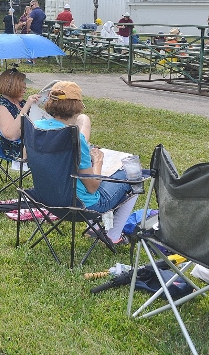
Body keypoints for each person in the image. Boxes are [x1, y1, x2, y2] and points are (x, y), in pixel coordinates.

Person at [35, 81, 136, 244]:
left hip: (46, 198)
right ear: (77, 106)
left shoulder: (36, 128)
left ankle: (99, 228)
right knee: (132, 172)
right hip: (80, 205)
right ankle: (111, 235)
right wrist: (98, 161)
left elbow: (26, 156)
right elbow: (92, 187)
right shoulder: (75, 138)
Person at [0, 68, 41, 158]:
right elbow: (11, 135)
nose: (24, 91)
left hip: (33, 141)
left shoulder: (20, 102)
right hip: (17, 148)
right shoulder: (2, 106)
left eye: (25, 88)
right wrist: (26, 106)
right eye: (22, 88)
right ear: (12, 87)